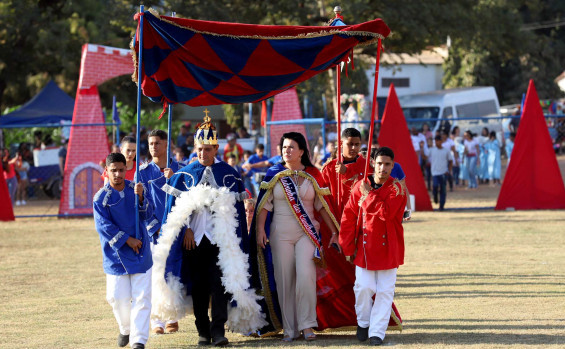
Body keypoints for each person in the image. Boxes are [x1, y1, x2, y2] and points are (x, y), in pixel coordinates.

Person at [153, 112, 264, 346]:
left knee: (219, 285)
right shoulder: (183, 175)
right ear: (195, 148)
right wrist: (186, 231)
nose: (203, 153)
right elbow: (172, 213)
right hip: (193, 241)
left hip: (220, 242)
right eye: (199, 149)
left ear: (216, 148)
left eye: (208, 149)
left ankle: (218, 331)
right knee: (199, 287)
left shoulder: (229, 174)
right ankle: (203, 331)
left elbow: (236, 213)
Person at [250, 132, 341, 342]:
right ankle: (290, 329)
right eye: (284, 148)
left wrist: (335, 232)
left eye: (291, 147)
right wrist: (260, 230)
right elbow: (264, 205)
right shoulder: (274, 173)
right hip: (280, 233)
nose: (287, 151)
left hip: (307, 233)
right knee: (285, 280)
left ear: (301, 151)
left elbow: (323, 206)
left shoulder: (313, 174)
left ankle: (307, 325)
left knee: (306, 278)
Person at [339, 147, 407, 346]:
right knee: (363, 287)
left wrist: (369, 196)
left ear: (393, 166)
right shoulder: (360, 185)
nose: (383, 168)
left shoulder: (398, 189)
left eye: (387, 164)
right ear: (372, 164)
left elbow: (386, 213)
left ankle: (377, 332)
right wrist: (347, 246)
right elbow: (349, 217)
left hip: (389, 247)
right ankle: (363, 322)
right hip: (364, 247)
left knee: (385, 291)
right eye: (379, 163)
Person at [93, 153, 153, 349]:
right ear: (107, 171)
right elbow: (104, 226)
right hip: (115, 255)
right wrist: (127, 240)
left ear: (126, 169)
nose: (118, 174)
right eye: (113, 170)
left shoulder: (134, 188)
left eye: (121, 169)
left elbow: (148, 214)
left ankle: (139, 340)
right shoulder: (100, 198)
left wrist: (142, 197)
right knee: (116, 298)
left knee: (142, 298)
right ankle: (126, 329)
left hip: (140, 251)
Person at [136, 129, 180, 334]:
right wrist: (156, 227)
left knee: (173, 273)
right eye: (150, 143)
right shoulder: (142, 172)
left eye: (157, 143)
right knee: (155, 275)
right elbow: (141, 205)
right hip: (153, 232)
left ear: (167, 144)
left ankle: (172, 316)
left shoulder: (179, 168)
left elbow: (187, 198)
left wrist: (173, 181)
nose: (153, 147)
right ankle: (157, 320)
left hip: (177, 228)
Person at [321, 128, 366, 221]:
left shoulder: (367, 165)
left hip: (361, 219)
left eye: (357, 144)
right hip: (337, 218)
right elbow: (323, 198)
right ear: (341, 143)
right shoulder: (329, 167)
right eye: (350, 144)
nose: (354, 148)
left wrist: (347, 172)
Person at [425, 135, 453, 211]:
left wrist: (449, 170)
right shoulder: (432, 150)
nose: (438, 142)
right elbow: (425, 157)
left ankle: (441, 205)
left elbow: (450, 161)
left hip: (444, 172)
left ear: (441, 141)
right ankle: (435, 197)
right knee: (435, 186)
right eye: (437, 141)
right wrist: (421, 148)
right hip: (435, 173)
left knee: (443, 189)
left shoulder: (446, 150)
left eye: (439, 141)